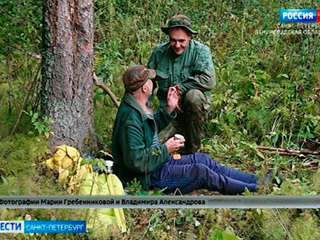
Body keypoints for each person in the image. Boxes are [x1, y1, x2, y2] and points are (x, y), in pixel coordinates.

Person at [112, 65, 258, 195]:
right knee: (201, 173)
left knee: (202, 159)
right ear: (145, 88)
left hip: (158, 163)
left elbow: (148, 128)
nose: (152, 82)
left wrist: (169, 108)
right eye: (150, 80)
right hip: (149, 177)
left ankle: (256, 180)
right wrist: (166, 148)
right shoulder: (130, 119)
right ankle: (251, 189)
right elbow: (136, 161)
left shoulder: (139, 103)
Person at [148, 14, 216, 153]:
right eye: (173, 40)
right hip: (168, 112)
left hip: (193, 109)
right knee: (152, 148)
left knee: (193, 97)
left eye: (181, 41)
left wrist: (181, 89)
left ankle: (193, 150)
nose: (177, 45)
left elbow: (209, 80)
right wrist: (144, 111)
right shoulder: (159, 53)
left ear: (190, 37)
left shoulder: (200, 51)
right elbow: (148, 85)